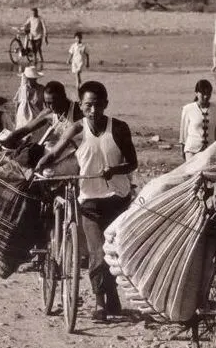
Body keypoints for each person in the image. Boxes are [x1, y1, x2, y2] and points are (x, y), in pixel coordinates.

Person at [33, 81, 138, 322]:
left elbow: (132, 162)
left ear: (106, 104)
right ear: (80, 106)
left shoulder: (119, 128)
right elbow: (55, 152)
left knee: (113, 253)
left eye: (97, 105)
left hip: (118, 200)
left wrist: (115, 170)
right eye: (88, 105)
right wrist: (39, 165)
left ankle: (113, 298)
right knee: (96, 253)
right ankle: (100, 303)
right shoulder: (77, 129)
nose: (93, 111)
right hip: (90, 201)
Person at [179, 79, 216, 161]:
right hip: (192, 149)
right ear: (196, 93)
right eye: (203, 94)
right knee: (193, 169)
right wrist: (182, 149)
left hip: (210, 150)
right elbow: (183, 132)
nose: (206, 96)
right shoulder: (188, 109)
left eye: (208, 93)